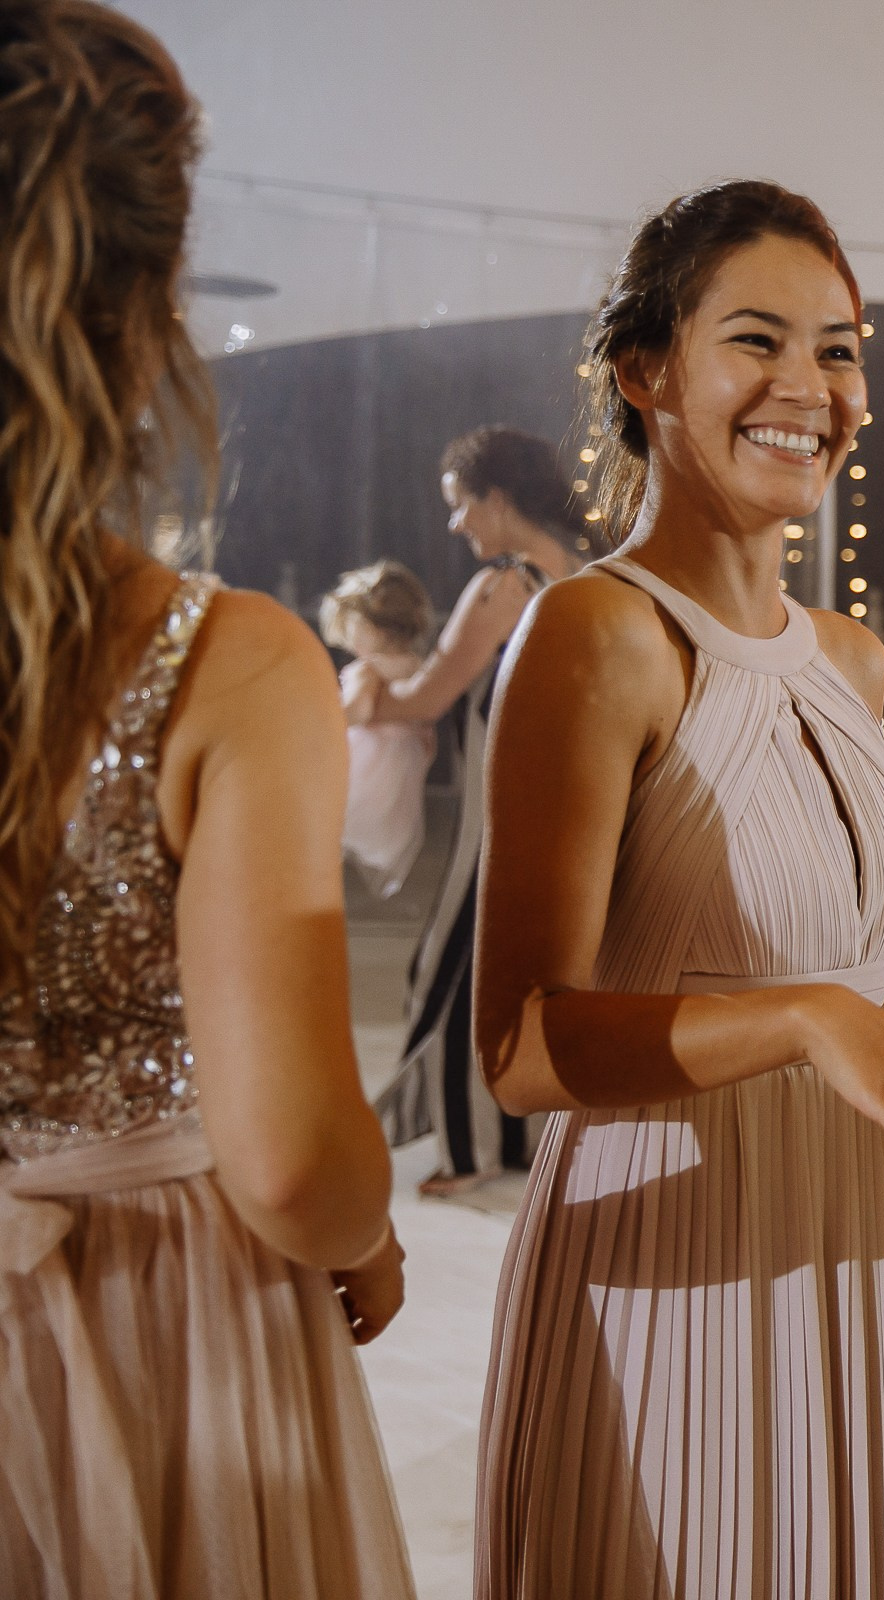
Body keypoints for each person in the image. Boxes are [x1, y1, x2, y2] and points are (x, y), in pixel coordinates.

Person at [471, 180, 884, 1598]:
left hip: (845, 1249)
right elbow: (521, 1048)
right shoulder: (596, 633)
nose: (811, 388)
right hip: (662, 1258)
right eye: (757, 340)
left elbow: (800, 937)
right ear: (647, 371)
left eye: (838, 350)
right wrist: (804, 1021)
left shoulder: (851, 658)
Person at [0, 5, 412, 1593]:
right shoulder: (217, 662)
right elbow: (295, 1164)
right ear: (147, 306)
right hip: (153, 1342)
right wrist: (364, 1226)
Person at [352, 425, 583, 1196]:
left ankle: (470, 1146)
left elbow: (428, 696)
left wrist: (356, 692)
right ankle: (522, 1137)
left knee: (455, 969)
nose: (457, 524)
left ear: (499, 499)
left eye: (461, 505)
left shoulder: (504, 586)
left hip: (500, 817)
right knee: (538, 974)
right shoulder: (584, 577)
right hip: (567, 811)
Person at [320, 561, 438, 896]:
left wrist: (323, 716)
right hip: (399, 789)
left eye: (352, 629)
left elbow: (357, 711)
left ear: (374, 628)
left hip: (364, 778)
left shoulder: (368, 671)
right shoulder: (419, 669)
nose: (350, 642)